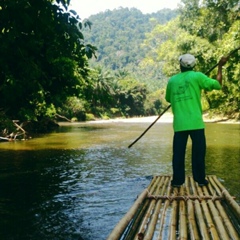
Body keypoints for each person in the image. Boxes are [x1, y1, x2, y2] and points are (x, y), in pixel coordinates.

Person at [165, 53, 228, 187]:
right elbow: (217, 84)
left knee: (178, 154)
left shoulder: (172, 81)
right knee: (199, 153)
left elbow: (168, 99)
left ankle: (177, 181)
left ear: (180, 65)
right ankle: (200, 180)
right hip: (196, 123)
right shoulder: (198, 76)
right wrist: (220, 67)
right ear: (194, 65)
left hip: (180, 124)